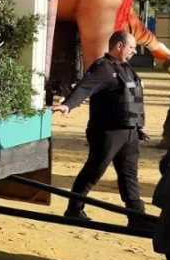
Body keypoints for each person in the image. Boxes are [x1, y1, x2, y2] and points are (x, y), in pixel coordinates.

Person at [51, 31, 151, 226]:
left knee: (129, 174)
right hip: (108, 132)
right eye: (131, 47)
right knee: (94, 170)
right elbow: (85, 87)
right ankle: (74, 210)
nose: (134, 52)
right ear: (119, 46)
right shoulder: (103, 68)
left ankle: (137, 217)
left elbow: (132, 100)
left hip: (129, 132)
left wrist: (138, 126)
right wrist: (68, 104)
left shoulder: (127, 69)